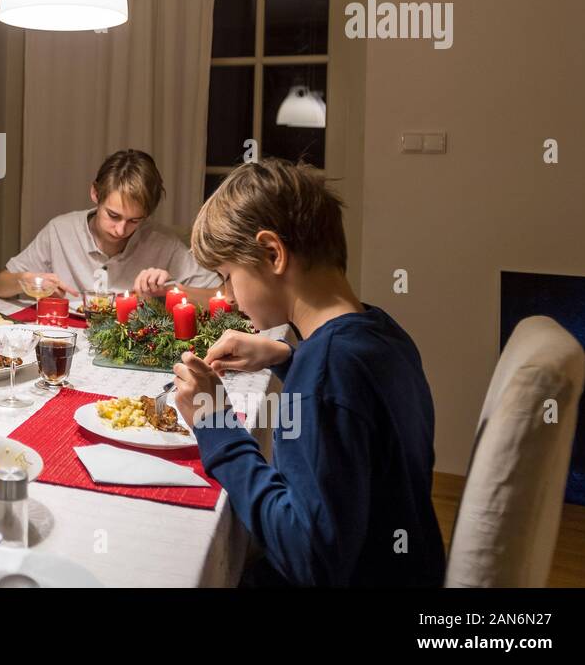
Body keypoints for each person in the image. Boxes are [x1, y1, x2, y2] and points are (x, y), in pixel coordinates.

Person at [174, 159, 446, 586]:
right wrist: (286, 357)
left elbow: (310, 560)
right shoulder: (380, 334)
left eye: (228, 277)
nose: (227, 296)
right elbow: (353, 418)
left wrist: (216, 425)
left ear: (272, 253)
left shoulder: (323, 377)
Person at [0, 149, 218, 303]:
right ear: (95, 193)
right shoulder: (60, 231)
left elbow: (225, 297)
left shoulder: (163, 243)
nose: (121, 230)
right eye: (113, 215)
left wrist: (169, 291)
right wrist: (27, 281)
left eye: (135, 220)